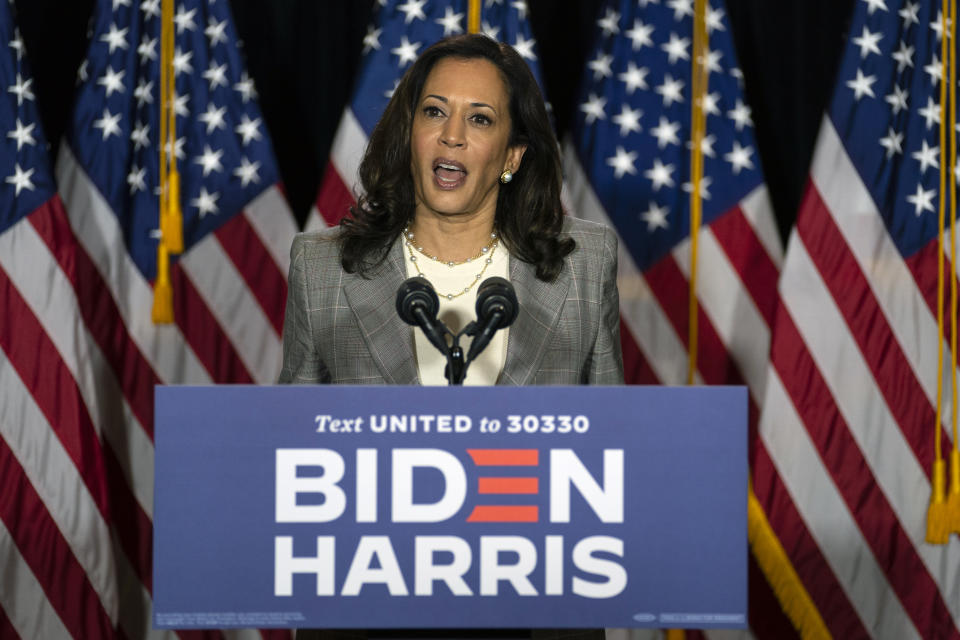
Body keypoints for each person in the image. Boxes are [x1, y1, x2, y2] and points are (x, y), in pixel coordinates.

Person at [280, 34, 623, 388]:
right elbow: (293, 430)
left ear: (512, 155)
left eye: (480, 119)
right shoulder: (322, 270)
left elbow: (610, 429)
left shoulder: (586, 265)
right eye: (434, 111)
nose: (452, 134)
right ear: (409, 133)